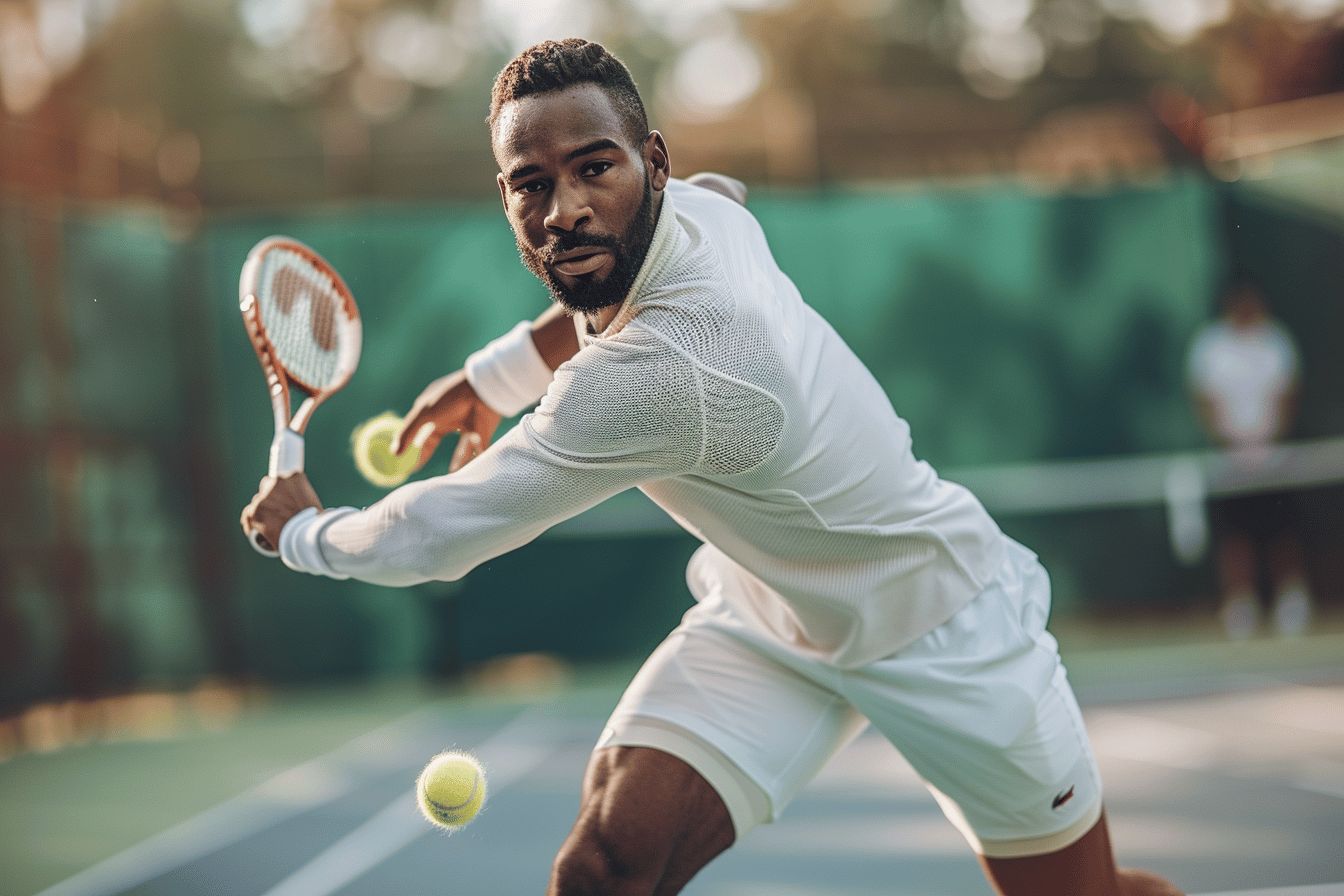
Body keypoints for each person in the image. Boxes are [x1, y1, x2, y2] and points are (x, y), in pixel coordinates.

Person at [242, 38, 1181, 896]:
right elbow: (715, 198)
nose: (564, 209)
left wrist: (304, 534)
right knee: (605, 871)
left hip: (938, 623)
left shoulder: (672, 369)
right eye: (531, 183)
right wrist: (498, 376)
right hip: (773, 610)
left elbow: (433, 540)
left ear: (653, 162)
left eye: (594, 169)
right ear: (505, 197)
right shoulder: (695, 211)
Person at [1187, 278, 1313, 638]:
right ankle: (1241, 604)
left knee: (1282, 530)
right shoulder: (1210, 346)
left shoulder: (1276, 341)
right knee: (1235, 533)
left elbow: (1288, 394)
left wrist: (1267, 439)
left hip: (1273, 458)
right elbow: (1204, 400)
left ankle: (1292, 601)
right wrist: (1232, 442)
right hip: (1230, 459)